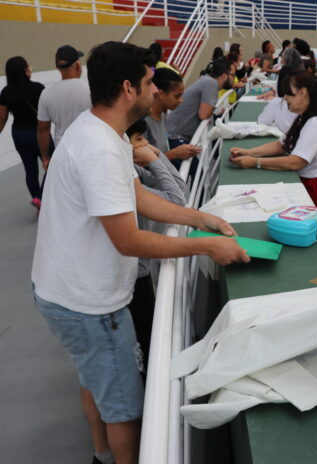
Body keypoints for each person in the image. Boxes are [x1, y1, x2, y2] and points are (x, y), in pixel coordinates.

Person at [31, 41, 249, 464]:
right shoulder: (99, 147)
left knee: (95, 379)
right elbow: (128, 240)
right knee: (125, 409)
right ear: (129, 88)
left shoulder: (103, 131)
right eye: (150, 83)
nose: (155, 91)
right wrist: (206, 246)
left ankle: (101, 456)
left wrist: (197, 218)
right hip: (87, 304)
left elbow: (138, 197)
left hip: (64, 291)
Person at [229, 70, 317, 244]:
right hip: (309, 188)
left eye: (289, 93)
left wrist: (254, 162)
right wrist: (248, 152)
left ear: (303, 93)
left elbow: (294, 162)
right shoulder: (304, 118)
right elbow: (279, 145)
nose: (285, 98)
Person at [127, 118, 188, 374]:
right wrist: (154, 158)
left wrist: (157, 155)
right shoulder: (126, 174)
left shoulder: (133, 169)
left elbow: (181, 189)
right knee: (145, 336)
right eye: (139, 139)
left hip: (138, 268)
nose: (146, 144)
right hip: (133, 273)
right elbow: (177, 199)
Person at [0, 56, 45, 211]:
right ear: (25, 71)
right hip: (39, 132)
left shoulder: (6, 92)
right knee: (52, 164)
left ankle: (38, 204)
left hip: (18, 133)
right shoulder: (38, 88)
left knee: (30, 170)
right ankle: (41, 197)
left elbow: (2, 117)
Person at [37, 45, 92, 170]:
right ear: (77, 65)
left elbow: (43, 130)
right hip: (88, 148)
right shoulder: (91, 90)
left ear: (57, 67)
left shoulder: (46, 93)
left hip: (62, 150)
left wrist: (45, 157)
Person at [167, 58, 231, 150]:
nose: (234, 78)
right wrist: (214, 109)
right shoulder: (211, 83)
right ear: (224, 76)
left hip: (175, 134)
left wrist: (216, 110)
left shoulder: (206, 80)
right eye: (232, 75)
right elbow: (204, 114)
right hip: (176, 137)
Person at [146, 68, 201, 165]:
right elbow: (142, 163)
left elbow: (164, 139)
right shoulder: (144, 122)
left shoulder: (163, 115)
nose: (181, 100)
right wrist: (174, 153)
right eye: (177, 96)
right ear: (161, 94)